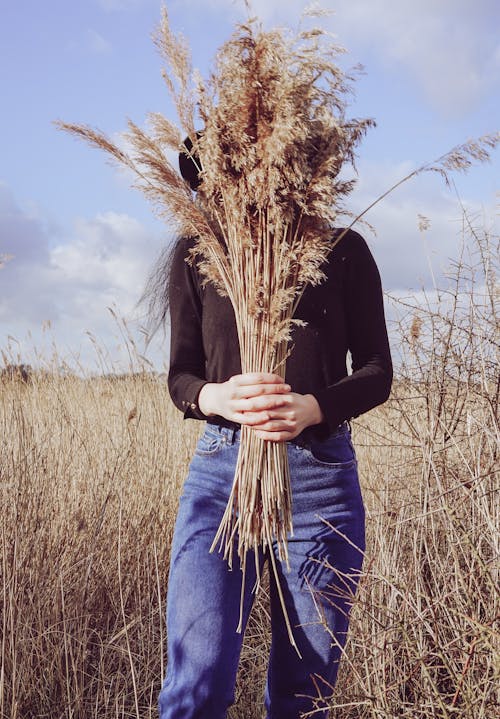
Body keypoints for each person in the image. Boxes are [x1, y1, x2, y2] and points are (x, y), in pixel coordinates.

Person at [157, 146, 393, 719]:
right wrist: (214, 396)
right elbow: (181, 374)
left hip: (320, 480)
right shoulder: (199, 254)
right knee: (197, 684)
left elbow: (377, 371)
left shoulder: (343, 250)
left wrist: (314, 407)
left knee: (302, 695)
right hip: (221, 474)